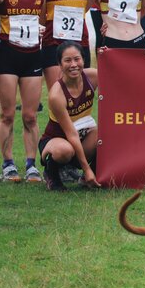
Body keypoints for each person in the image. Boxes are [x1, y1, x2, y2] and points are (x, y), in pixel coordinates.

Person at [0, 0, 47, 182]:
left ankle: (30, 164)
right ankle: (7, 164)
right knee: (7, 114)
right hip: (8, 55)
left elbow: (43, 17)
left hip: (32, 56)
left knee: (30, 115)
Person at [39, 41, 100, 191]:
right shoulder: (56, 95)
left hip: (83, 135)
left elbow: (117, 80)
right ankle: (51, 173)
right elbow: (71, 134)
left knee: (108, 133)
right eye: (67, 60)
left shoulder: (93, 76)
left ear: (83, 60)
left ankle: (92, 177)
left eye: (77, 59)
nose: (73, 64)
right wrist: (86, 168)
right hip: (59, 139)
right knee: (64, 151)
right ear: (59, 64)